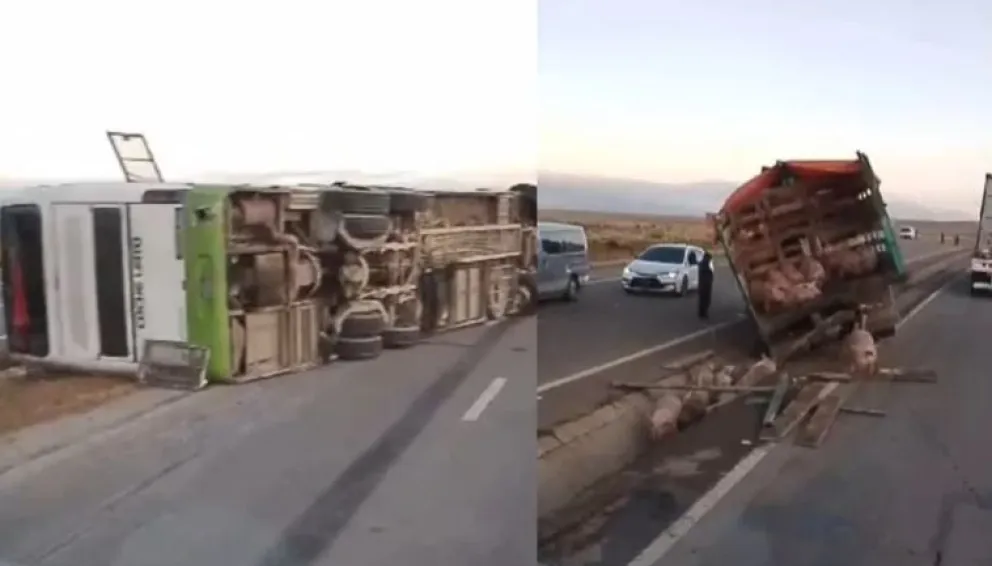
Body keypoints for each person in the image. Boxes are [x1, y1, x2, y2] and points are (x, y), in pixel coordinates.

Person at [697, 250, 714, 319]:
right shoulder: (707, 264)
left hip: (702, 283)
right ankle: (704, 313)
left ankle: (701, 313)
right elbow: (710, 273)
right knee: (706, 299)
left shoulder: (701, 263)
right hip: (706, 284)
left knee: (702, 299)